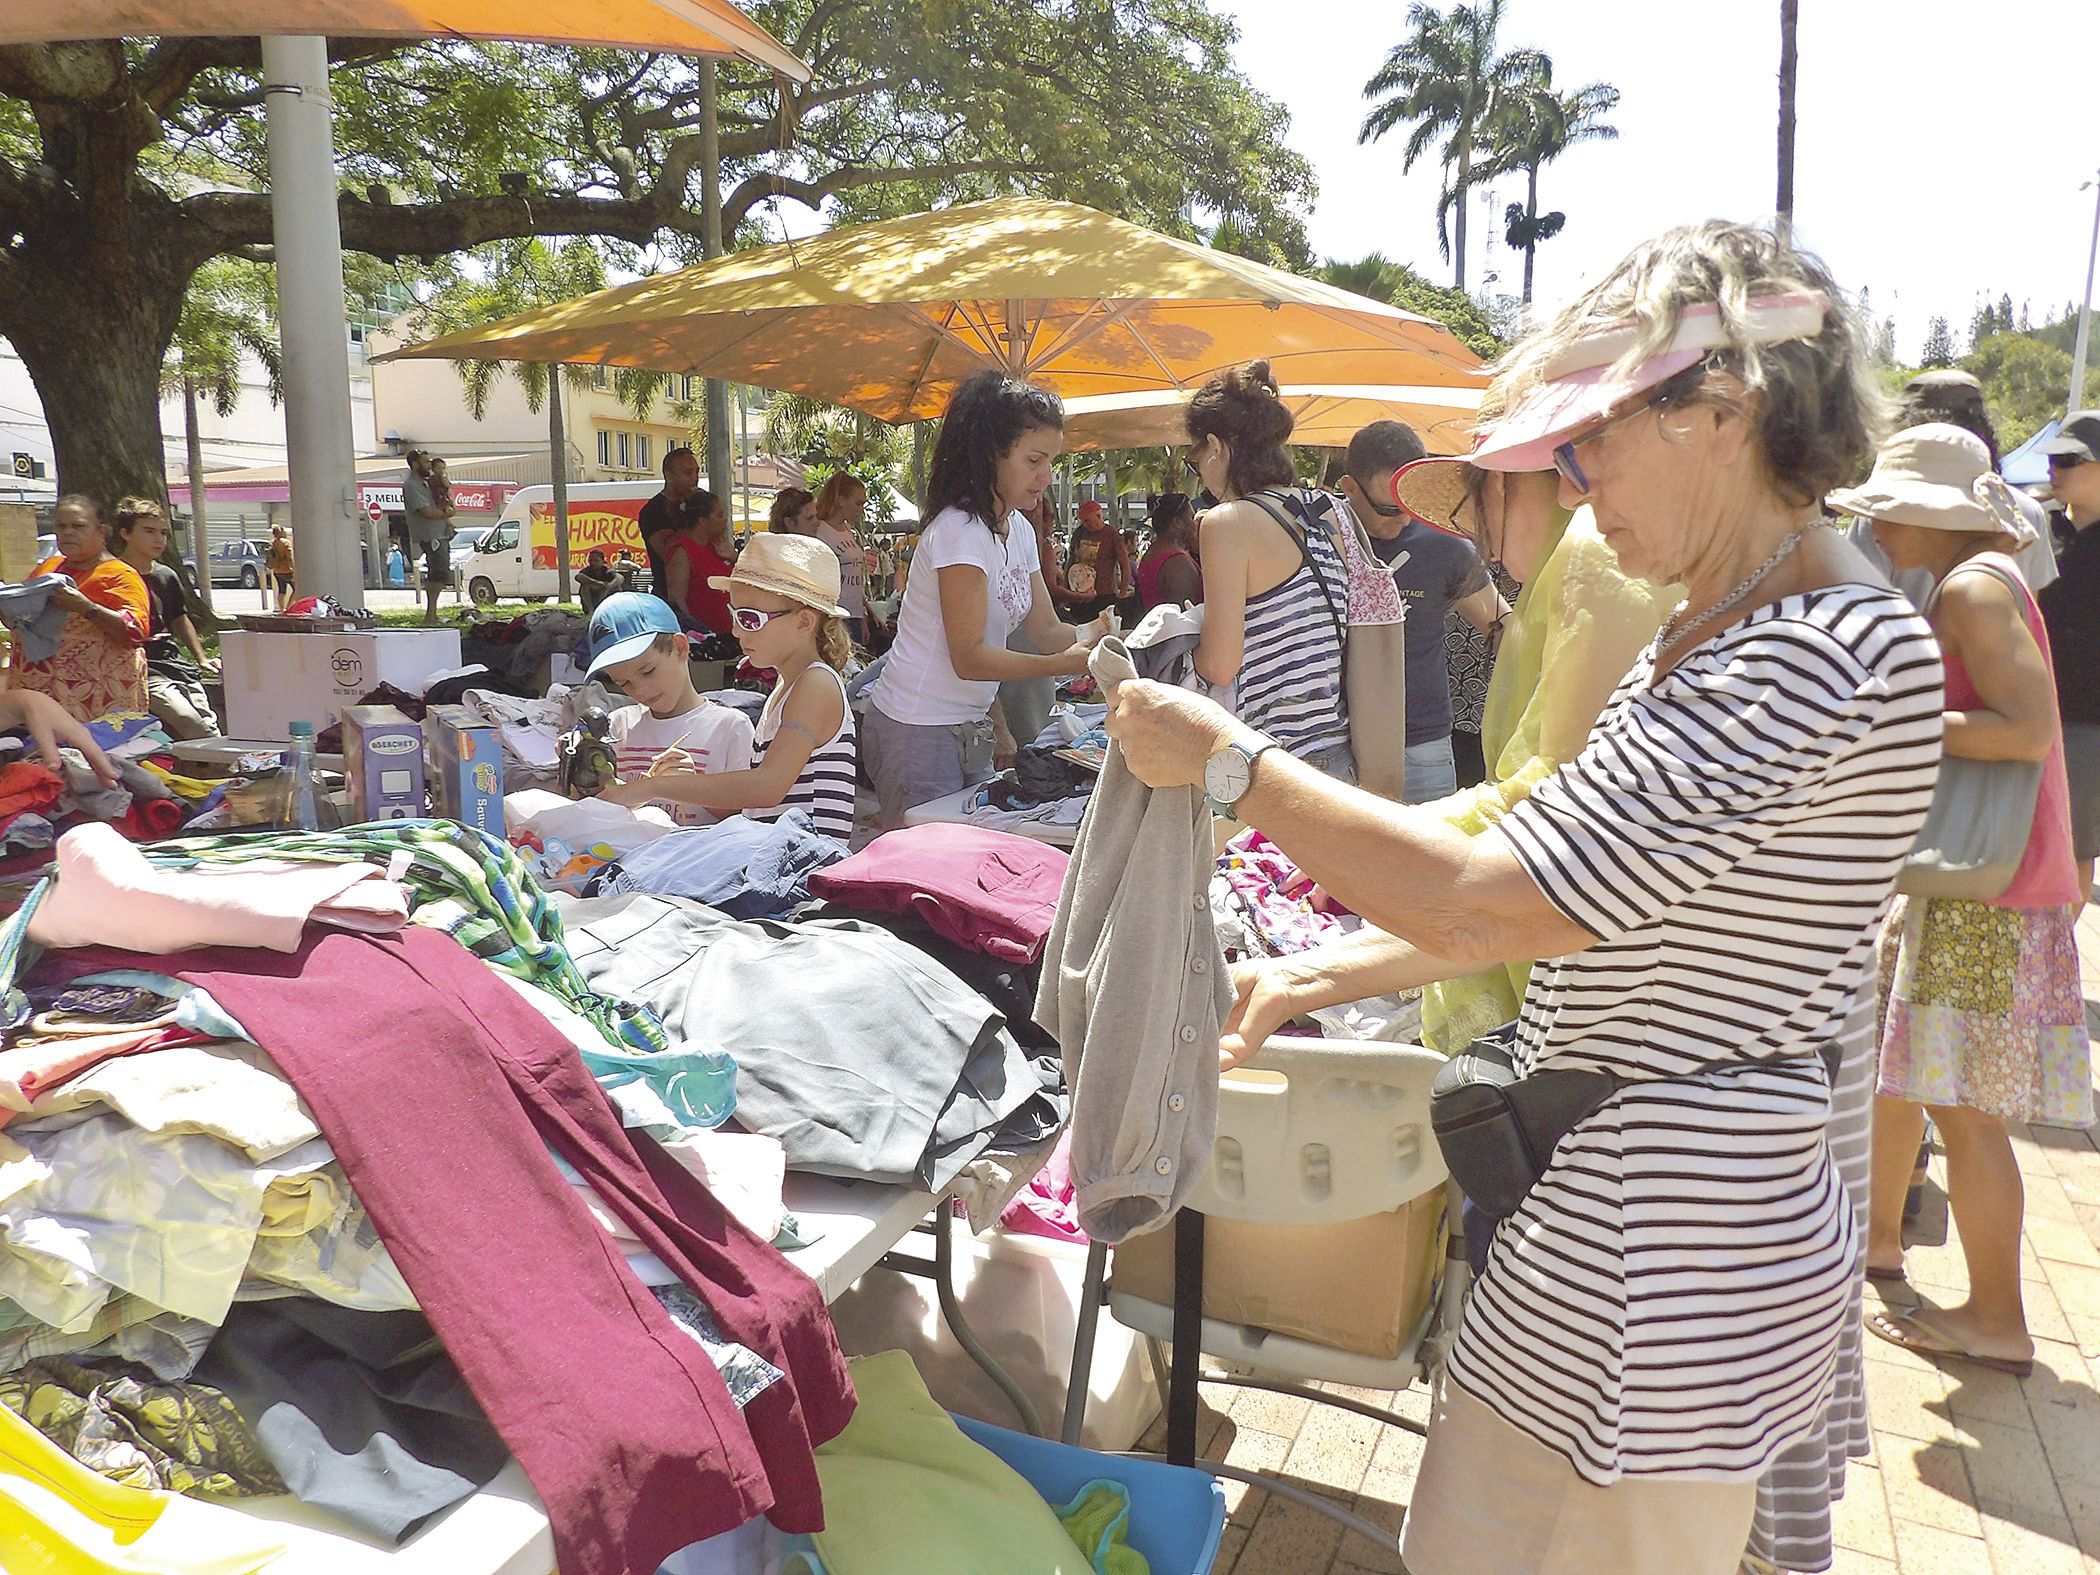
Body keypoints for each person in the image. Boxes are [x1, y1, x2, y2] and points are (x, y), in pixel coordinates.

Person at [1106, 223, 1943, 1575]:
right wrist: (1311, 972)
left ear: (1720, 415)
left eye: (1593, 437)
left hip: (1660, 1292)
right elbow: (1559, 882)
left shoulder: (1815, 653)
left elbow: (1491, 903)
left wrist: (1229, 763)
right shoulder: (1719, 626)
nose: (1575, 476)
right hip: (1600, 1255)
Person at [1857, 425, 2092, 1378]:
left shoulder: (1968, 587)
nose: (1874, 523)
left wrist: (1893, 712)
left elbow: (2028, 729)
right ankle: (1906, 1258)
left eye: (1889, 505)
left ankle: (1998, 1316)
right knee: (1933, 1090)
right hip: (1992, 889)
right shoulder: (1986, 579)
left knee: (1966, 1114)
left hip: (1985, 895)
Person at [863, 370, 1100, 829]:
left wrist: (1110, 636)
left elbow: (1048, 631)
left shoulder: (1022, 530)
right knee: (929, 877)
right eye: (1034, 460)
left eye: (1050, 460)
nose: (1045, 476)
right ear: (993, 455)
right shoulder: (959, 532)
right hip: (916, 729)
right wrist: (1067, 664)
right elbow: (969, 658)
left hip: (969, 727)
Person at [599, 534, 858, 845]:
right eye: (734, 615)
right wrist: (687, 782)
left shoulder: (815, 684)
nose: (735, 630)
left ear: (805, 622)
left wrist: (651, 788)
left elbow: (766, 787)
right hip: (781, 859)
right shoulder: (785, 687)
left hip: (807, 868)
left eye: (749, 619)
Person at [1185, 359, 1354, 779]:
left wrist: (1177, 641)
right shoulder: (1331, 511)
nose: (1201, 471)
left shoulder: (1227, 522)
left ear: (1216, 446)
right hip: (1339, 757)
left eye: (1195, 457)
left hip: (1270, 765)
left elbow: (1221, 665)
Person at [1334, 420, 1507, 803]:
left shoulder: (1445, 545)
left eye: (1411, 503)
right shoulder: (1324, 541)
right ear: (1349, 488)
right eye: (1388, 507)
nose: (1405, 518)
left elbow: (1503, 626)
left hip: (1421, 742)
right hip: (1335, 742)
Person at [1843, 369, 2059, 602]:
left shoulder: (1884, 511)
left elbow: (1859, 599)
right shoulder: (2023, 514)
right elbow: (2030, 609)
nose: (1879, 533)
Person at [581, 592, 754, 825]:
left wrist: (689, 787)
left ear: (680, 647)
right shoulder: (618, 725)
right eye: (624, 683)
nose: (640, 691)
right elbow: (595, 804)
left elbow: (746, 817)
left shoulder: (730, 727)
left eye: (648, 671)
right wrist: (579, 764)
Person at [2037, 408, 2100, 898]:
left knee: (2074, 849)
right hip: (2028, 710)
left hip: (2086, 722)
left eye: (2069, 460)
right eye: (2053, 459)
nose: (2054, 470)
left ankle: (2055, 963)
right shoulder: (2041, 530)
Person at [19, 495, 149, 721]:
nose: (67, 532)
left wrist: (86, 608)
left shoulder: (120, 575)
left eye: (78, 526)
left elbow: (135, 631)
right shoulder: (49, 568)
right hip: (39, 698)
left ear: (101, 531)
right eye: (62, 526)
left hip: (96, 704)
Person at [111, 496, 219, 739]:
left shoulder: (166, 575)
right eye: (149, 531)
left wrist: (201, 657)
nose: (158, 539)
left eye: (163, 533)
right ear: (126, 533)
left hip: (172, 661)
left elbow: (179, 618)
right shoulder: (111, 575)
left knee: (207, 719)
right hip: (138, 667)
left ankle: (211, 771)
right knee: (193, 724)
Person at [663, 488, 736, 637]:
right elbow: (678, 601)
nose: (725, 519)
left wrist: (734, 557)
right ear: (703, 521)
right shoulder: (682, 551)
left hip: (732, 632)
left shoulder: (720, 546)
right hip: (707, 637)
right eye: (719, 515)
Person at [810, 474, 870, 643]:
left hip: (855, 613)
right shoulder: (821, 531)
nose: (861, 509)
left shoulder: (847, 529)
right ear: (841, 500)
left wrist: (864, 614)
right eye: (858, 503)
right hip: (834, 615)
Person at [639, 446, 700, 603]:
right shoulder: (653, 511)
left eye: (696, 472)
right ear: (669, 475)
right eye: (687, 472)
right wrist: (692, 519)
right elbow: (668, 552)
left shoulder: (701, 502)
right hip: (671, 595)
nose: (694, 478)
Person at [401, 450, 454, 624]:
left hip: (439, 533)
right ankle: (430, 614)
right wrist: (444, 513)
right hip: (430, 535)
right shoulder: (412, 485)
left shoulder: (428, 482)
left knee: (440, 571)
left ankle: (433, 613)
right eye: (425, 462)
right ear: (414, 464)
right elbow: (426, 511)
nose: (429, 465)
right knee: (438, 572)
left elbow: (442, 500)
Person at [1059, 498, 1131, 623]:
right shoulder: (1079, 533)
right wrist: (1066, 590)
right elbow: (1070, 561)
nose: (1085, 524)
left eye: (1088, 520)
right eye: (1083, 521)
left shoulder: (1111, 534)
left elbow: (1124, 564)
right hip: (1079, 594)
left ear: (1098, 516)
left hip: (1104, 594)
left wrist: (1122, 593)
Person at [1135, 491, 1202, 610]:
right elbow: (1185, 615)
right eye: (1191, 517)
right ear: (1177, 522)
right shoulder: (1176, 562)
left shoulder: (1154, 552)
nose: (1194, 523)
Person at [576, 549, 619, 617]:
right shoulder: (587, 571)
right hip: (591, 602)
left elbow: (620, 578)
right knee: (585, 587)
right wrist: (598, 583)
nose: (593, 563)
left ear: (602, 561)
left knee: (608, 588)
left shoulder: (608, 571)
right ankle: (591, 612)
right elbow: (578, 577)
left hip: (606, 602)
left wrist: (609, 586)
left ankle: (601, 610)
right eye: (590, 561)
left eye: (596, 560)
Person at [265, 524, 296, 611]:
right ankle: (289, 607)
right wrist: (293, 567)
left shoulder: (273, 543)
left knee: (282, 590)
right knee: (296, 589)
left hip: (277, 570)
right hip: (287, 570)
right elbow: (289, 556)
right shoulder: (286, 542)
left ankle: (282, 609)